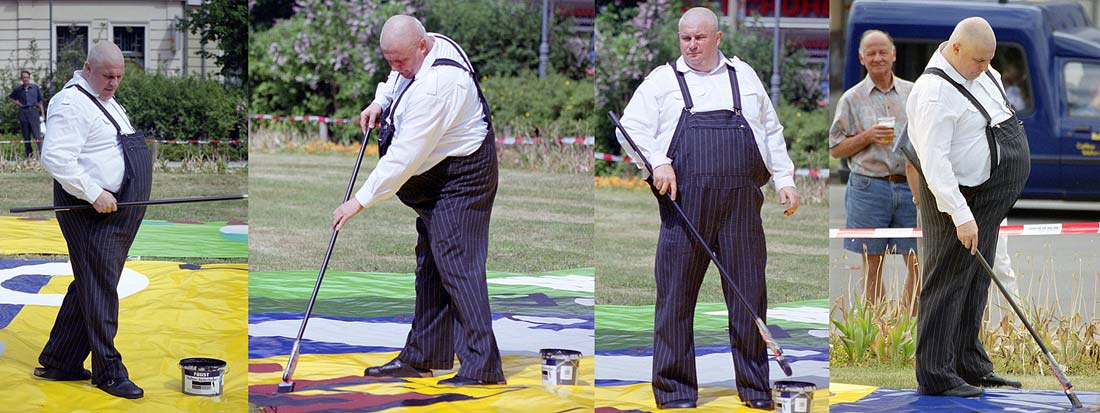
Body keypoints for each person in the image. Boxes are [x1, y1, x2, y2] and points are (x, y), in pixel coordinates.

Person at [616, 7, 799, 410]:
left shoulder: (743, 77)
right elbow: (627, 129)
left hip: (741, 207)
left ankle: (754, 390)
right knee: (675, 300)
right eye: (685, 39)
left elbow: (770, 129)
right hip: (686, 208)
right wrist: (657, 163)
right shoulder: (663, 81)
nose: (692, 45)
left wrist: (785, 179)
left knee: (749, 297)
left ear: (717, 38)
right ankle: (675, 392)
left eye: (699, 38)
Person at [331, 15, 505, 386]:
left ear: (422, 46)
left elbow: (404, 158)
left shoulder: (440, 85)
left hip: (463, 179)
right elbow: (398, 77)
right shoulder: (418, 52)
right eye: (388, 60)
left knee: (458, 265)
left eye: (401, 60)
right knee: (430, 265)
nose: (395, 68)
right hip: (438, 174)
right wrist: (381, 101)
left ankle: (483, 367)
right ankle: (424, 355)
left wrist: (357, 202)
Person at [906, 17, 1027, 398]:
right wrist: (960, 215)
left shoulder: (979, 70)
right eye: (978, 61)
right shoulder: (934, 94)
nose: (983, 68)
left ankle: (969, 364)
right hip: (957, 195)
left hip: (988, 193)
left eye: (988, 61)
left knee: (975, 278)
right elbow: (935, 164)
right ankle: (936, 374)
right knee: (947, 279)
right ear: (955, 48)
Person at [36, 41, 149, 399]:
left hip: (116, 211)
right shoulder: (71, 103)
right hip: (90, 210)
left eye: (119, 76)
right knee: (100, 287)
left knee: (91, 281)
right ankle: (108, 372)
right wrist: (94, 193)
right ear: (87, 68)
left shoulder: (103, 99)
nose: (114, 82)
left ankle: (60, 361)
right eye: (107, 75)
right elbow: (55, 158)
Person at [830, 30, 920, 314]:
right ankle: (878, 329)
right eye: (871, 53)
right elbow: (835, 149)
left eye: (883, 52)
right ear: (861, 58)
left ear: (894, 55)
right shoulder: (851, 99)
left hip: (910, 185)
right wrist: (868, 136)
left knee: (918, 261)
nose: (878, 57)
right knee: (872, 265)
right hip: (868, 187)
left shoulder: (913, 92)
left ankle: (907, 327)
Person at [8, 69, 45, 157]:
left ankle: (41, 155)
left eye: (27, 77)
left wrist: (43, 114)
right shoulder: (18, 89)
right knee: (26, 136)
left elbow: (40, 102)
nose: (26, 79)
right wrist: (18, 104)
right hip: (23, 112)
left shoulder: (35, 88)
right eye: (24, 78)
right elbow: (10, 98)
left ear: (29, 78)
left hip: (34, 112)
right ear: (21, 78)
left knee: (37, 135)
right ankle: (29, 155)